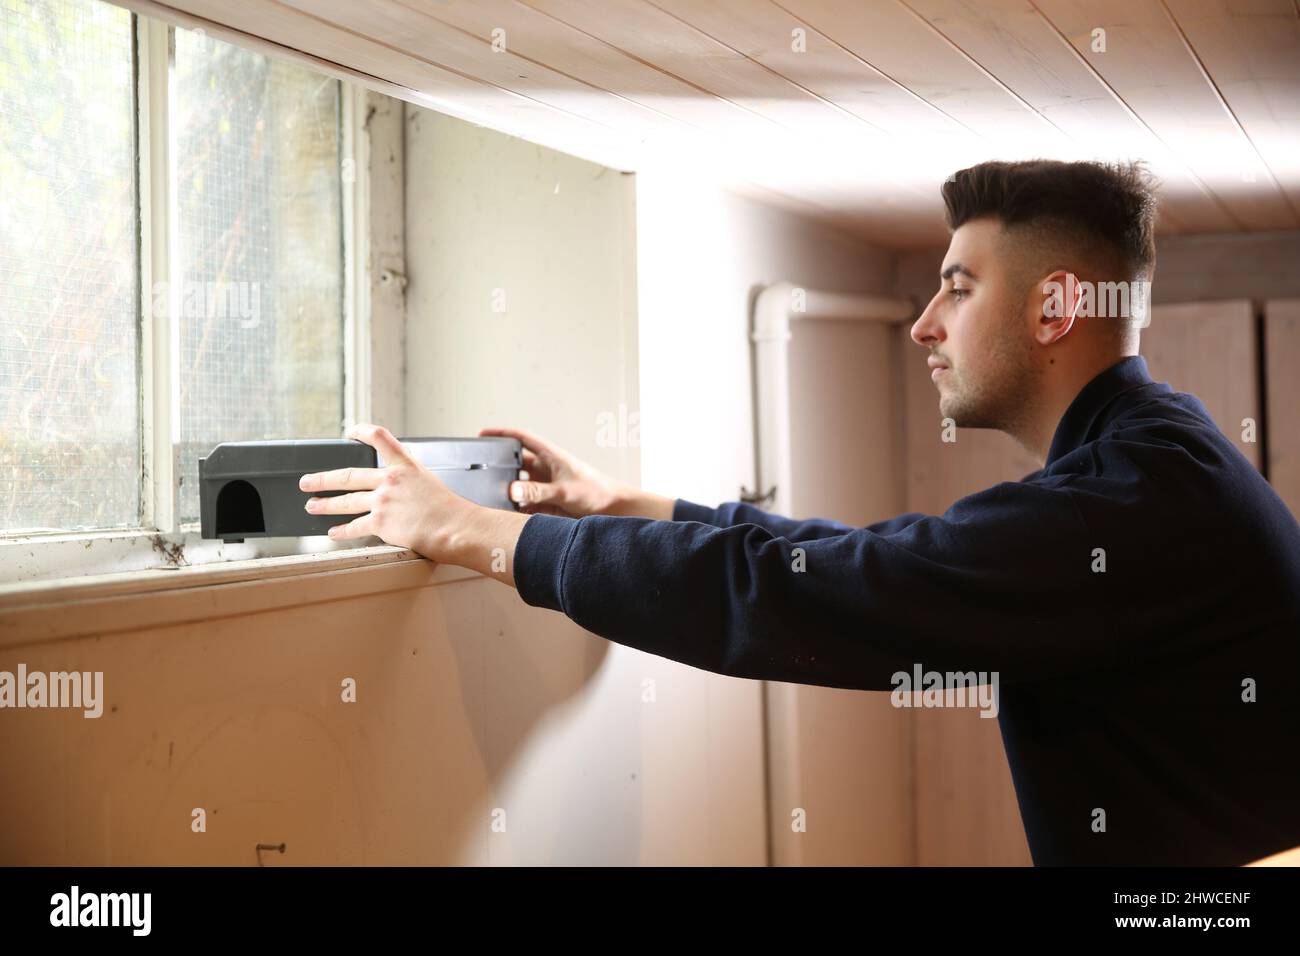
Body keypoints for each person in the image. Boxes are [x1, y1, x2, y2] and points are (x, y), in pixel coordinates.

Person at [298, 160, 1300, 866]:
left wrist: (473, 530)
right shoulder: (1151, 457)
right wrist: (630, 505)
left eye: (956, 287)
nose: (922, 324)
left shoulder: (1129, 503)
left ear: (1051, 311)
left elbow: (829, 593)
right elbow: (870, 561)